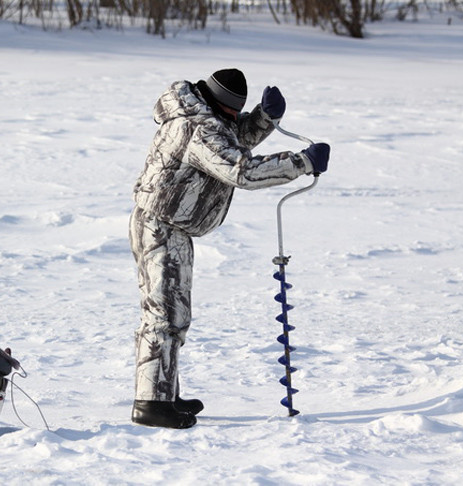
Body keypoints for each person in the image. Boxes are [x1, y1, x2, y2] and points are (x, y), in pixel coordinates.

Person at [129, 68, 330, 429]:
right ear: (221, 105)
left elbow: (231, 139)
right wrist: (301, 162)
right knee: (164, 315)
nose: (235, 120)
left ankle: (163, 393)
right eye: (234, 114)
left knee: (174, 315)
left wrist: (264, 119)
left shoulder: (203, 115)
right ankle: (150, 405)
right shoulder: (198, 127)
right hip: (160, 227)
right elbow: (241, 170)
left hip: (168, 226)